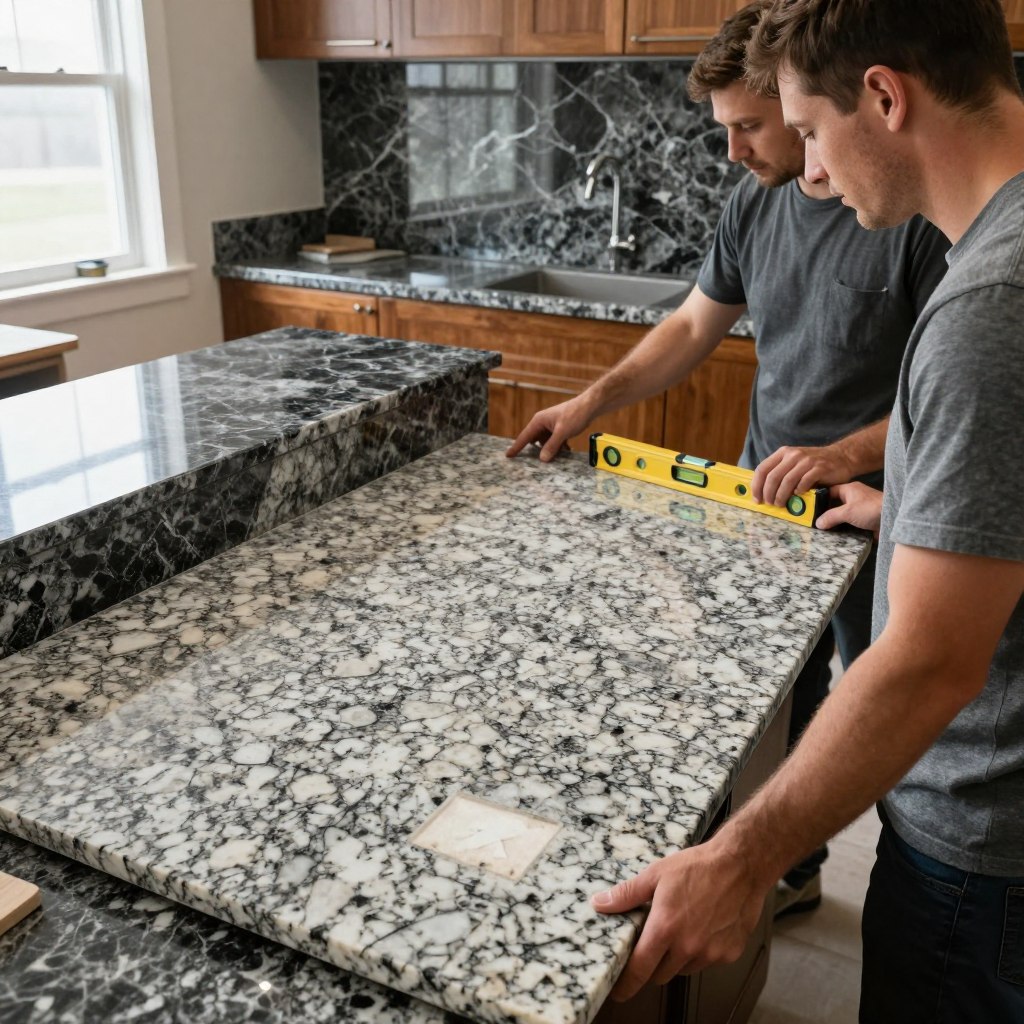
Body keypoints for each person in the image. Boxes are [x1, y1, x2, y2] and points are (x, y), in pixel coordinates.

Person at [588, 1, 1024, 1020]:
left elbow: (927, 660)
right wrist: (922, 505)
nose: (810, 172)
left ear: (884, 95)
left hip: (982, 835)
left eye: (811, 131)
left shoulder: (985, 308)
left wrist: (742, 856)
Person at [506, 0, 949, 918]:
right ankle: (788, 869)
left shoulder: (907, 211)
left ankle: (879, 872)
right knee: (768, 692)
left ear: (799, 104)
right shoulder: (753, 202)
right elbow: (689, 328)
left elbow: (937, 400)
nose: (737, 150)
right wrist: (588, 405)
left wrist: (840, 456)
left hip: (876, 504)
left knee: (881, 710)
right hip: (763, 497)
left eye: (753, 126)